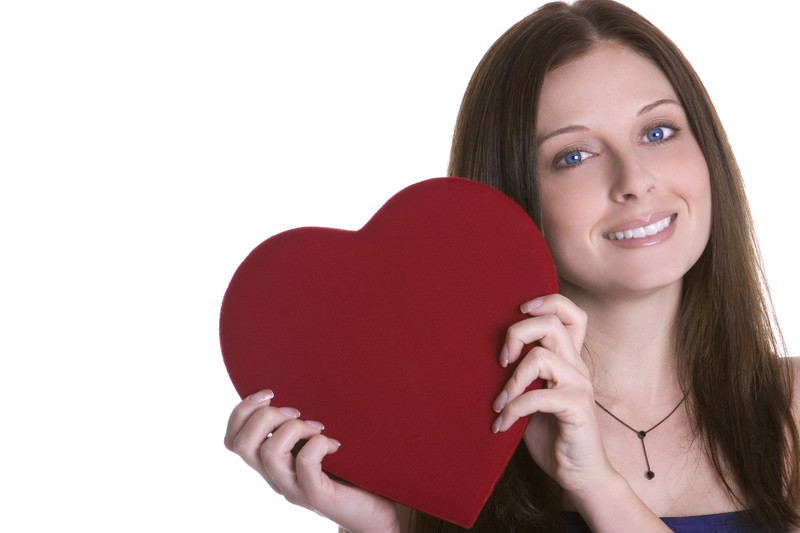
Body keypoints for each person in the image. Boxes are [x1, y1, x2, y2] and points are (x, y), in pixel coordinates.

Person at [223, 0, 800, 531]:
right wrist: (388, 527)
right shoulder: (445, 445)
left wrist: (595, 484)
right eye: (574, 155)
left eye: (658, 131)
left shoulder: (792, 406)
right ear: (513, 197)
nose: (635, 180)